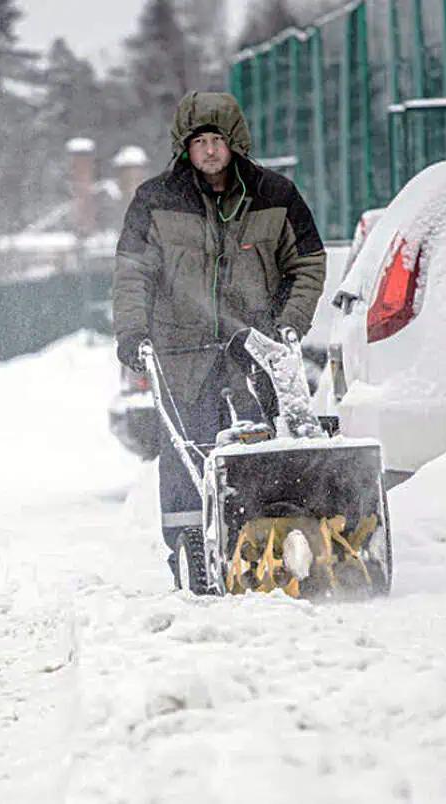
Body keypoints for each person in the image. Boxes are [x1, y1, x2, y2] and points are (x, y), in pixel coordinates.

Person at [112, 91, 327, 590]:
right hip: (180, 354)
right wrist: (132, 331)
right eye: (199, 142)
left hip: (253, 352)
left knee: (263, 454)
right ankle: (193, 564)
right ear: (183, 148)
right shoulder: (155, 200)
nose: (209, 151)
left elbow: (308, 263)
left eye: (218, 140)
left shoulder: (276, 195)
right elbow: (131, 273)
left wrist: (289, 323)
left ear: (236, 143)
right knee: (187, 461)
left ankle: (269, 553)